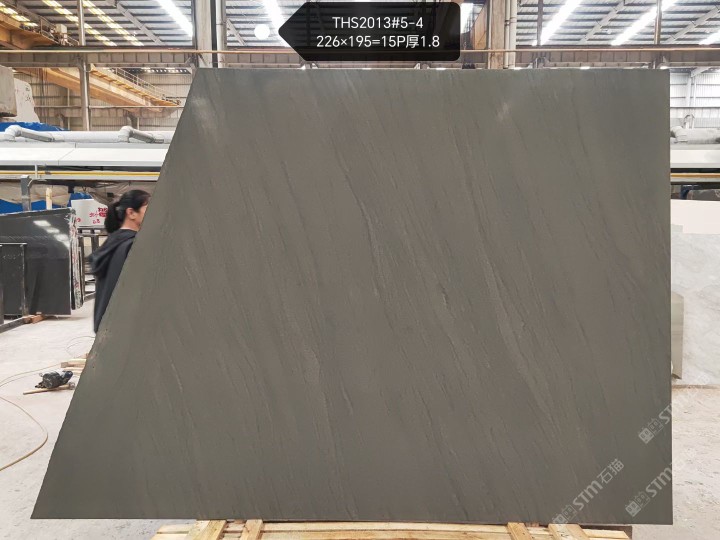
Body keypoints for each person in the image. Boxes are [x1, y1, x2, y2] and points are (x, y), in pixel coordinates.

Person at [90, 189, 150, 332]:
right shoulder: (132, 246)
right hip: (126, 331)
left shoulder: (112, 242)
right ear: (131, 213)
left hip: (107, 327)